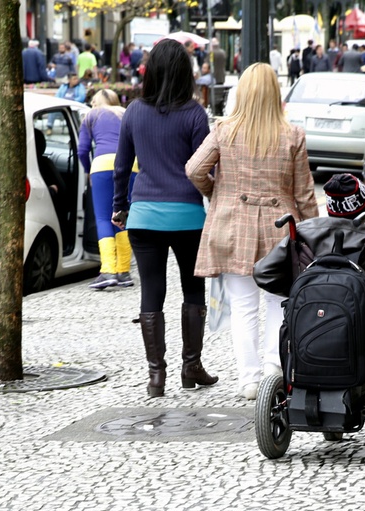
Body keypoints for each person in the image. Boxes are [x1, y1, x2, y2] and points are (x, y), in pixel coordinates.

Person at [185, 63, 318, 400]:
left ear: (241, 93)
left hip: (233, 224)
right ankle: (275, 369)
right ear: (276, 94)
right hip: (280, 228)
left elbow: (194, 169)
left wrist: (217, 192)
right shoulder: (293, 135)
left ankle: (249, 380)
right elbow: (303, 194)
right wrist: (316, 234)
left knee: (243, 306)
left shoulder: (224, 130)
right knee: (278, 301)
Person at [112, 39, 218, 398]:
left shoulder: (134, 112)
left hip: (144, 216)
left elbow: (122, 165)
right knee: (193, 289)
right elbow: (205, 166)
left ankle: (156, 376)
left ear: (150, 72)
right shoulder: (194, 114)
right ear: (186, 73)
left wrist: (119, 206)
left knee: (152, 293)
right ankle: (192, 366)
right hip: (188, 215)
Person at [253, 173, 365, 312]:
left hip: (309, 312)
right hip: (362, 322)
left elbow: (263, 272)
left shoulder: (302, 231)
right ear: (364, 204)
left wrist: (302, 288)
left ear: (330, 206)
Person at [78, 89, 136, 290]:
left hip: (102, 164)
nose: (93, 105)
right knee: (122, 215)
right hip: (130, 164)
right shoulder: (126, 112)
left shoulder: (91, 116)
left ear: (100, 102)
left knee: (103, 217)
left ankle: (108, 271)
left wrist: (88, 170)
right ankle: (124, 271)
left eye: (94, 101)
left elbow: (82, 150)